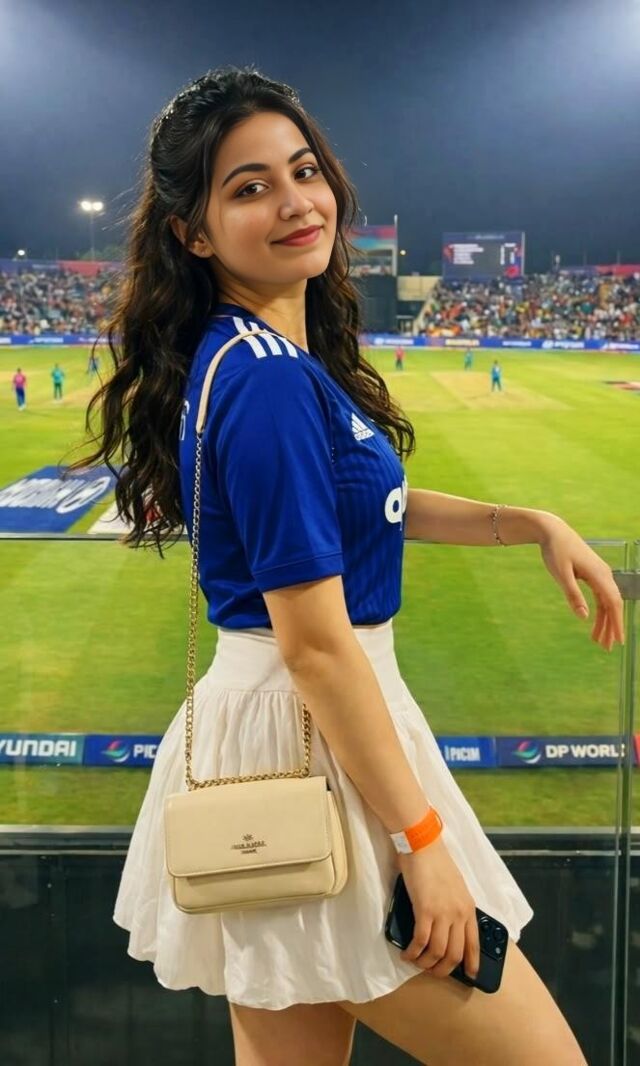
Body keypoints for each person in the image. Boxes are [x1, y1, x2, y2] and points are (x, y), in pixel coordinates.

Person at [67, 67, 623, 1065]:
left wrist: (530, 522)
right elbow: (318, 648)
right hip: (316, 740)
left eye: (304, 171)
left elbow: (367, 508)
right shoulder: (269, 382)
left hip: (271, 739)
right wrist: (422, 844)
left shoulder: (244, 357)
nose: (295, 202)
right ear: (195, 234)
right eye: (250, 188)